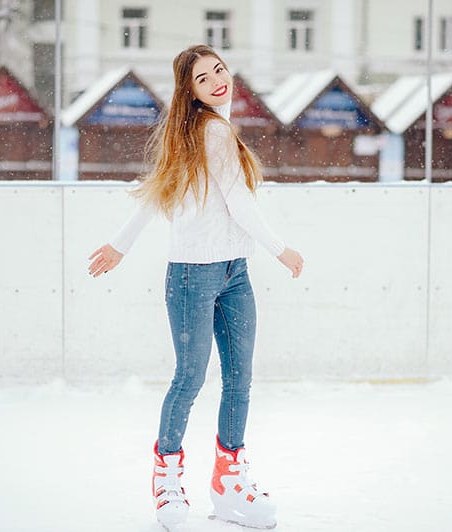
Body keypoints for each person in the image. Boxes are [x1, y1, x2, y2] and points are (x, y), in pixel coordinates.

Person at [87, 44, 303, 530]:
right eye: (204, 78)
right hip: (192, 274)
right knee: (190, 378)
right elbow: (234, 201)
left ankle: (228, 484)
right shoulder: (210, 132)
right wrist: (280, 248)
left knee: (239, 382)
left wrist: (120, 246)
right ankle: (166, 479)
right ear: (190, 90)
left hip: (234, 271)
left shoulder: (201, 132)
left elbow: (160, 193)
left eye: (220, 70)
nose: (217, 81)